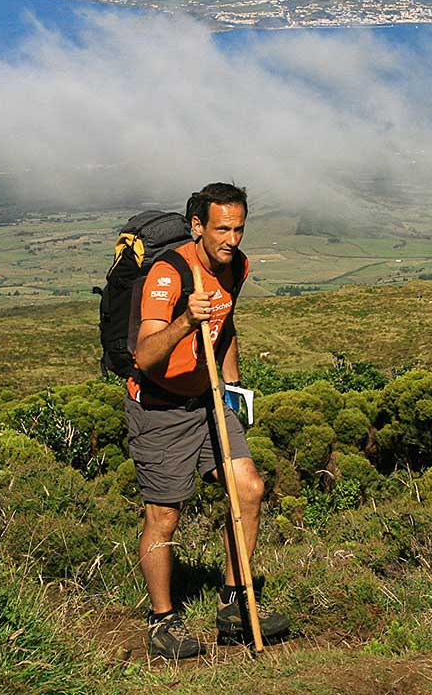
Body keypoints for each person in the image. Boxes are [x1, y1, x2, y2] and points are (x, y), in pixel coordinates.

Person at [127, 181, 289, 658]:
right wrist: (184, 322)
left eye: (239, 229)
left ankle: (234, 604)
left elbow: (227, 324)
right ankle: (162, 623)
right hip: (159, 407)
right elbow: (146, 354)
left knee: (249, 489)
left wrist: (233, 388)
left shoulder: (236, 265)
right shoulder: (169, 272)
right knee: (164, 515)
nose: (232, 239)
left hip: (209, 400)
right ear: (197, 226)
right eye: (222, 229)